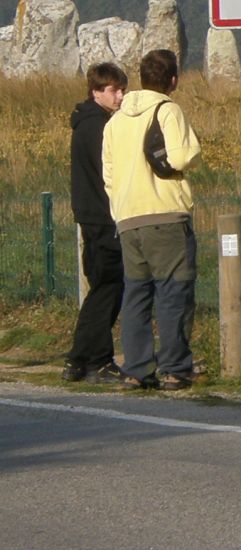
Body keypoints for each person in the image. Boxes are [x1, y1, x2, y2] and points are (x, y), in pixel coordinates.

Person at [102, 49, 202, 391]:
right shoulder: (167, 110)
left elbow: (109, 174)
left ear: (141, 78)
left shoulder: (115, 120)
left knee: (136, 294)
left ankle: (136, 368)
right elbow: (182, 156)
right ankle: (174, 368)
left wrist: (119, 211)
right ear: (173, 79)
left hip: (128, 217)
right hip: (165, 212)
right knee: (174, 292)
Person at [63, 61, 129, 383]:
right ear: (96, 92)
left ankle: (77, 361)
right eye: (114, 90)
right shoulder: (99, 127)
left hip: (92, 216)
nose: (120, 97)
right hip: (103, 218)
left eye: (122, 90)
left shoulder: (87, 123)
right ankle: (98, 361)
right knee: (108, 288)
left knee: (103, 288)